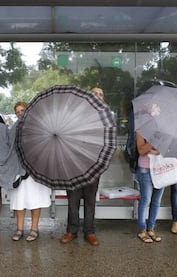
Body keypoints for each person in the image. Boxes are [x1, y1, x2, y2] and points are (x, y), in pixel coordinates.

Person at [60, 87, 104, 246]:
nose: (98, 96)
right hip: (73, 165)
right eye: (95, 93)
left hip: (94, 165)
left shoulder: (105, 118)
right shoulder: (76, 115)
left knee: (90, 200)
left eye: (101, 94)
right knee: (73, 200)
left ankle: (89, 231)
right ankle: (71, 230)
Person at [10, 101, 52, 242]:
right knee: (19, 201)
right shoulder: (14, 128)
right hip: (19, 170)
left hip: (36, 170)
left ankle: (34, 228)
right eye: (17, 112)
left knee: (35, 200)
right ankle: (19, 228)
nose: (20, 113)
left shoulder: (39, 126)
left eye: (22, 110)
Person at [135, 131, 164, 243]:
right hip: (145, 168)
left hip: (160, 167)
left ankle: (151, 228)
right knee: (146, 199)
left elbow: (168, 149)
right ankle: (142, 229)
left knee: (156, 200)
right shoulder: (142, 129)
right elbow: (141, 150)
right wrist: (155, 139)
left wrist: (158, 150)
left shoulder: (165, 131)